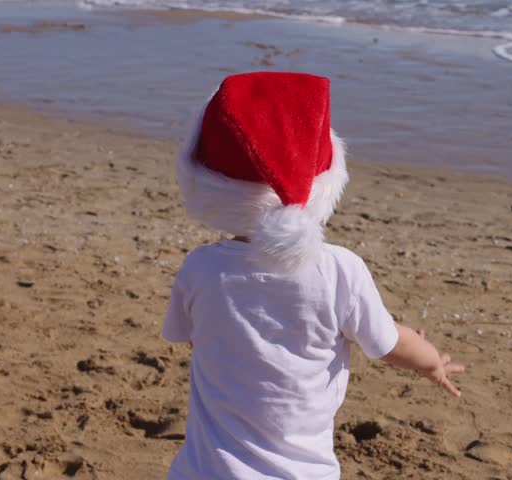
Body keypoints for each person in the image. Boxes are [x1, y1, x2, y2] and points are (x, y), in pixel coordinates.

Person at [163, 71, 464, 480]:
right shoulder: (340, 270)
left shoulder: (200, 267)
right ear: (323, 179)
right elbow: (390, 344)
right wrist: (430, 362)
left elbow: (192, 335)